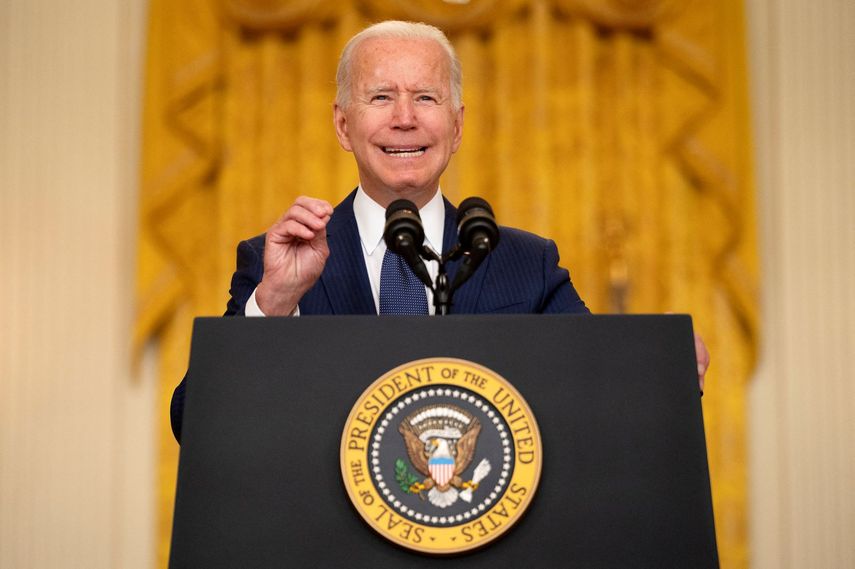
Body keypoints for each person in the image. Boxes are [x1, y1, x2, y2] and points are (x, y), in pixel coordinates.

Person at [170, 20, 709, 442]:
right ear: (342, 125)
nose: (405, 118)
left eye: (426, 98)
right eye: (381, 97)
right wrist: (274, 304)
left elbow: (601, 393)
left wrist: (660, 364)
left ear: (456, 126)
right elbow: (194, 422)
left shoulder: (525, 263)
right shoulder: (275, 262)